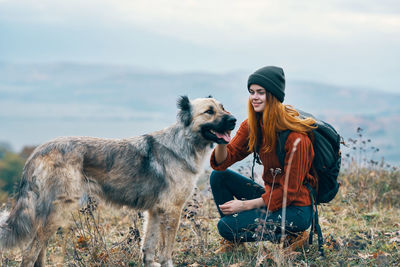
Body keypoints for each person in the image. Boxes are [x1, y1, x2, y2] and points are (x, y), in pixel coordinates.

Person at [209, 66, 317, 253]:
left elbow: (288, 194)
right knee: (220, 176)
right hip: (271, 199)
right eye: (251, 92)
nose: (254, 97)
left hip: (296, 209)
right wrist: (221, 139)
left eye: (261, 92)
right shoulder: (253, 125)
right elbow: (224, 162)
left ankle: (295, 234)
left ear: (274, 95)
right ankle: (234, 241)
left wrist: (244, 205)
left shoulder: (296, 139)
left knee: (225, 226)